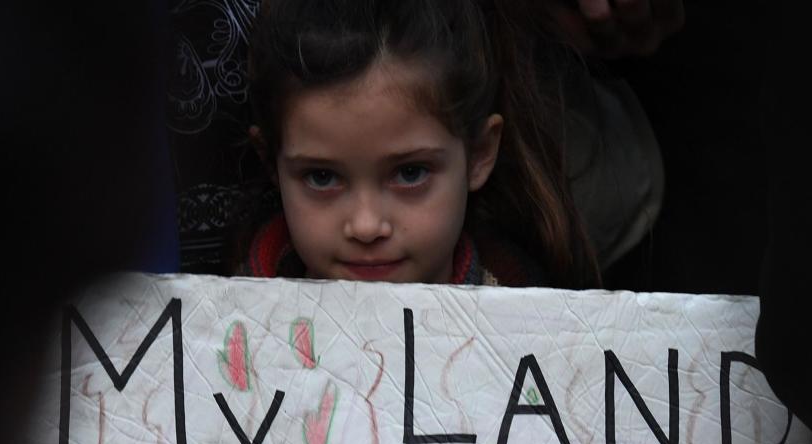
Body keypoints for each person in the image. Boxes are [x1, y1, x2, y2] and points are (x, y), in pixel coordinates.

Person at [232, 0, 603, 287]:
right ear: (272, 164)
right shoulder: (221, 331)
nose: (366, 226)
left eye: (410, 173)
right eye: (322, 177)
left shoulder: (528, 323)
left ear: (479, 154)